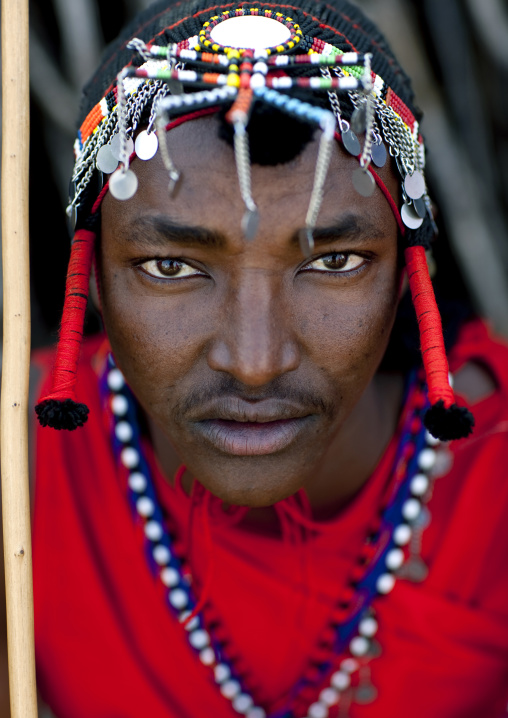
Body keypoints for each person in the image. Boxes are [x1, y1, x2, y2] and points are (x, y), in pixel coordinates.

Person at [21, 0, 508, 715]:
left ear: (408, 274)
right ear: (92, 277)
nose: (254, 362)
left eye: (335, 260)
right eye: (170, 266)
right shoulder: (20, 470)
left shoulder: (492, 483)